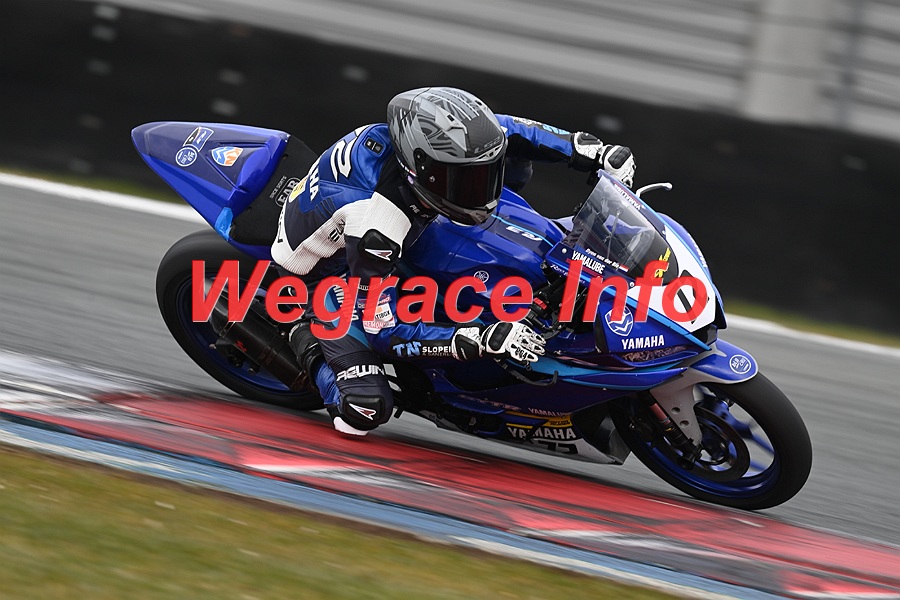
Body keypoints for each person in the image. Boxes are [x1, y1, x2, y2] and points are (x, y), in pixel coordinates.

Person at [270, 86, 636, 436]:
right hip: (330, 280)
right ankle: (303, 337)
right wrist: (475, 338)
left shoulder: (431, 150)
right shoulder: (379, 228)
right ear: (422, 170)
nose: (484, 189)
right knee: (364, 409)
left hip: (387, 228)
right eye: (466, 181)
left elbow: (507, 131)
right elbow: (383, 330)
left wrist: (589, 151)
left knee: (512, 163)